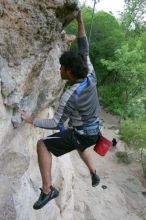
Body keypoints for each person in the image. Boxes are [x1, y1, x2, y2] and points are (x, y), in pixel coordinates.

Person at [21, 11, 101, 210]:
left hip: (82, 134)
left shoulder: (70, 95)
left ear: (70, 72)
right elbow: (84, 46)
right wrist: (80, 20)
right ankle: (93, 171)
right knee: (79, 144)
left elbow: (55, 123)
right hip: (93, 131)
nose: (59, 70)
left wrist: (32, 120)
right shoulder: (90, 73)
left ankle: (48, 190)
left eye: (62, 68)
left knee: (43, 145)